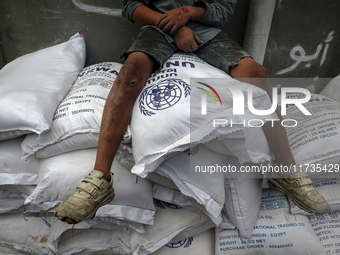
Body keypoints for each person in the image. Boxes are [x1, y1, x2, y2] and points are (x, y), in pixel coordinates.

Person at [55, 0, 330, 224]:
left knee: (256, 73)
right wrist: (173, 26)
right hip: (156, 30)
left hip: (206, 33)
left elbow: (223, 10)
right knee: (129, 74)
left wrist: (187, 14)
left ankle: (286, 172)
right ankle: (100, 180)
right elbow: (131, 6)